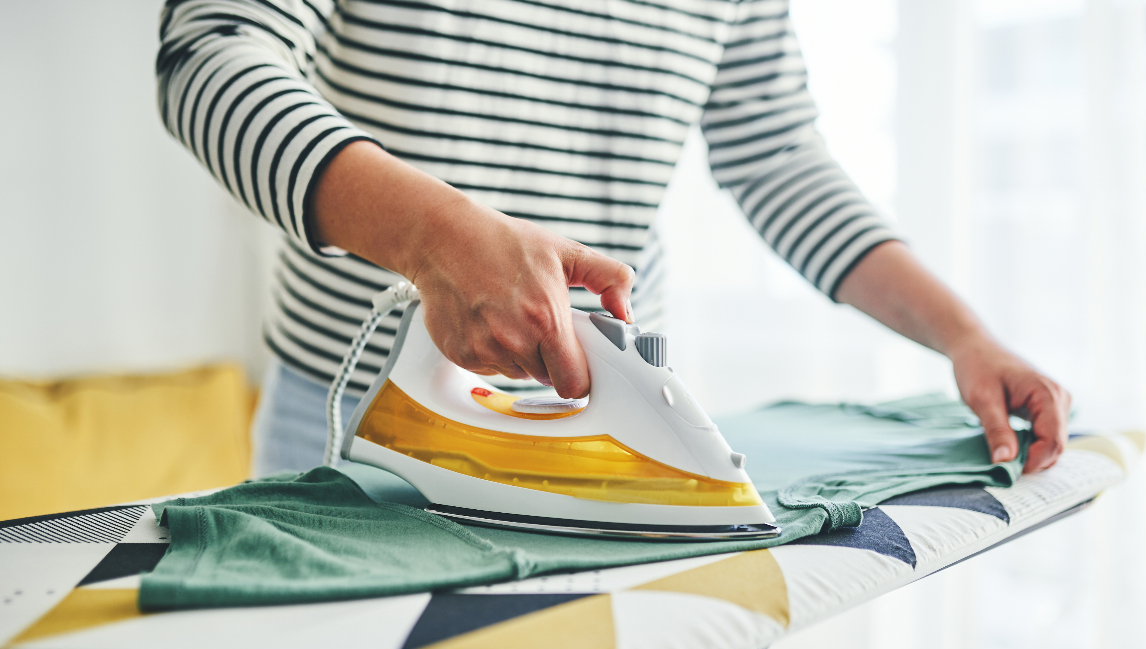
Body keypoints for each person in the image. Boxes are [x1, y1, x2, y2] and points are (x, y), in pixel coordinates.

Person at [157, 0, 1069, 477]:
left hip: (605, 402)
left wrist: (963, 335)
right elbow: (209, 54)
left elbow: (778, 156)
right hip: (355, 407)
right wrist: (433, 238)